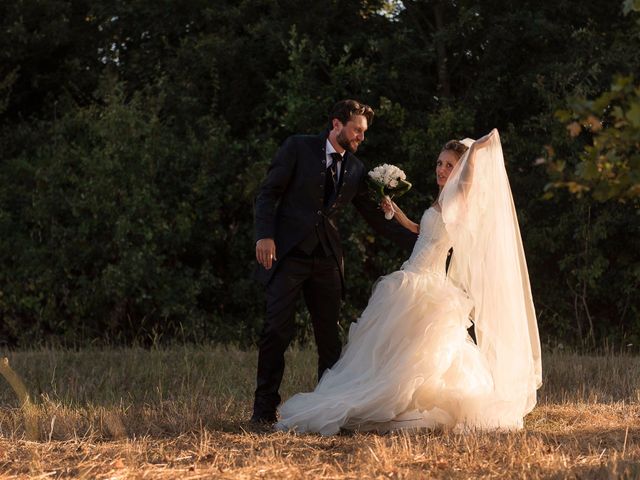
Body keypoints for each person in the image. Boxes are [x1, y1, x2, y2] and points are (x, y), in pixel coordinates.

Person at [275, 129, 542, 434]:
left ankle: (404, 401)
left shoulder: (461, 196)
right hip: (410, 277)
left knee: (423, 353)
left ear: (461, 171)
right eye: (440, 164)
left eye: (449, 166)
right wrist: (395, 212)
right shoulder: (443, 199)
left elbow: (466, 177)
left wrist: (479, 149)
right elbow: (423, 231)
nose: (442, 170)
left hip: (428, 285)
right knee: (393, 350)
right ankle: (389, 395)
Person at [251, 99, 418, 425]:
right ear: (337, 124)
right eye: (357, 129)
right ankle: (262, 410)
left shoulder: (356, 169)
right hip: (288, 256)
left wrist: (422, 241)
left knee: (329, 337)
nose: (361, 137)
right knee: (276, 331)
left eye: (364, 132)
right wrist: (264, 235)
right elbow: (268, 193)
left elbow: (376, 219)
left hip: (327, 260)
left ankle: (326, 410)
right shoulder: (298, 148)